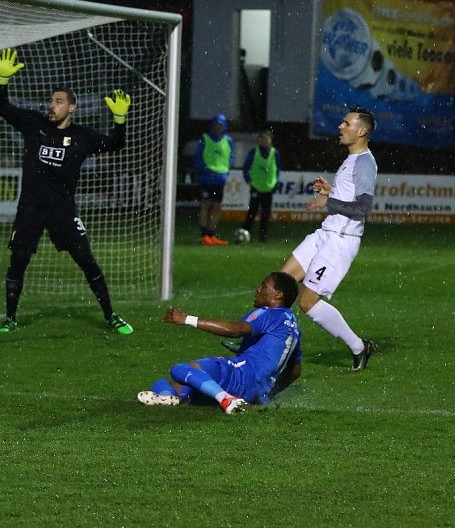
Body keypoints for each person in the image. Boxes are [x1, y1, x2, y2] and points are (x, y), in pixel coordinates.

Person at [0, 48, 133, 335]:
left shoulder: (82, 136)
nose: (51, 105)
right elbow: (1, 106)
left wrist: (119, 121)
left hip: (63, 211)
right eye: (51, 101)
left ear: (72, 107)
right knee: (18, 260)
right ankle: (10, 318)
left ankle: (111, 315)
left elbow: (114, 144)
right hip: (30, 209)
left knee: (86, 259)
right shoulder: (33, 124)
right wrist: (2, 81)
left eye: (58, 102)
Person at [280, 106, 378, 371]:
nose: (340, 127)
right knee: (280, 284)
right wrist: (331, 191)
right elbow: (346, 200)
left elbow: (363, 209)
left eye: (346, 124)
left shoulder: (365, 163)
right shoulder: (351, 159)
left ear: (362, 131)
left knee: (306, 302)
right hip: (325, 233)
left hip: (340, 241)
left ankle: (359, 347)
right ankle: (262, 346)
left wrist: (329, 201)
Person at [137, 271, 302, 414]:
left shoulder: (270, 313)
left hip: (240, 375)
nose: (258, 290)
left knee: (179, 369)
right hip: (256, 393)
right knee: (167, 384)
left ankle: (226, 400)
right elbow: (294, 371)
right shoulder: (293, 327)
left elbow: (235, 330)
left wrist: (186, 319)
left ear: (278, 295)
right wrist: (267, 393)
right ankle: (169, 398)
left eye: (264, 286)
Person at [194, 113, 234, 245]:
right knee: (205, 205)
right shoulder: (205, 138)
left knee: (217, 206)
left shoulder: (228, 140)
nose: (218, 127)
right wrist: (203, 171)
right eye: (216, 125)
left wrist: (227, 170)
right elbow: (198, 156)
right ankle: (204, 234)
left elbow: (230, 156)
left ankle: (212, 234)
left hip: (220, 177)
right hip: (207, 176)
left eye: (221, 125)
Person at [241, 129, 281, 242]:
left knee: (265, 214)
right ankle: (245, 234)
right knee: (252, 213)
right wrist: (248, 180)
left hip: (268, 188)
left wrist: (275, 182)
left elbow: (278, 169)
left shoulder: (275, 153)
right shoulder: (254, 152)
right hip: (256, 187)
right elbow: (245, 168)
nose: (264, 141)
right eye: (262, 138)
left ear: (271, 141)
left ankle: (262, 238)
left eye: (266, 139)